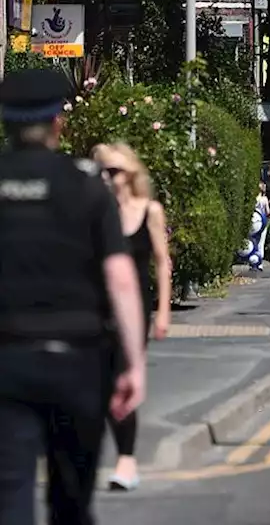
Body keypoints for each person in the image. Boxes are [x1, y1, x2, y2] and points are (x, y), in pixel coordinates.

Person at [0, 68, 146, 524]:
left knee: (9, 494)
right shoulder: (86, 184)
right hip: (78, 361)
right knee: (71, 499)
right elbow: (121, 278)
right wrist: (133, 364)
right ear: (59, 122)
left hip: (5, 359)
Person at [92, 142, 172, 492]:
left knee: (122, 378)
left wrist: (163, 312)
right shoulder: (94, 212)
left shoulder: (149, 210)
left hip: (134, 310)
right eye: (100, 172)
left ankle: (126, 459)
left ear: (130, 174)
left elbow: (161, 261)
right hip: (94, 306)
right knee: (95, 381)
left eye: (113, 172)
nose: (106, 179)